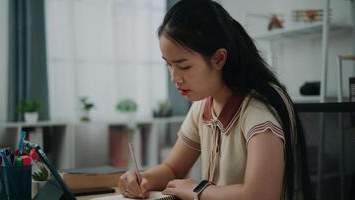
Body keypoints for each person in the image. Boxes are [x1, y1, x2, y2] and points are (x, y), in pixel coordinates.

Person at [118, 0, 311, 199]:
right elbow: (172, 169)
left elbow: (261, 195)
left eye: (184, 66)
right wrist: (143, 178)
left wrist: (198, 191)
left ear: (218, 59)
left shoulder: (257, 111)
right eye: (169, 65)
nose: (175, 78)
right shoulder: (203, 106)